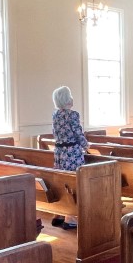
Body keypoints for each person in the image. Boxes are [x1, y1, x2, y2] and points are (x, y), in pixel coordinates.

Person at [50, 85, 86, 230]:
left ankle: (59, 214)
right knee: (74, 183)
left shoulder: (55, 114)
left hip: (59, 152)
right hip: (72, 153)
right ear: (67, 99)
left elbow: (55, 133)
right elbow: (78, 134)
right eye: (70, 96)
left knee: (62, 182)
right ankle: (71, 218)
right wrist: (86, 146)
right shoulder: (72, 115)